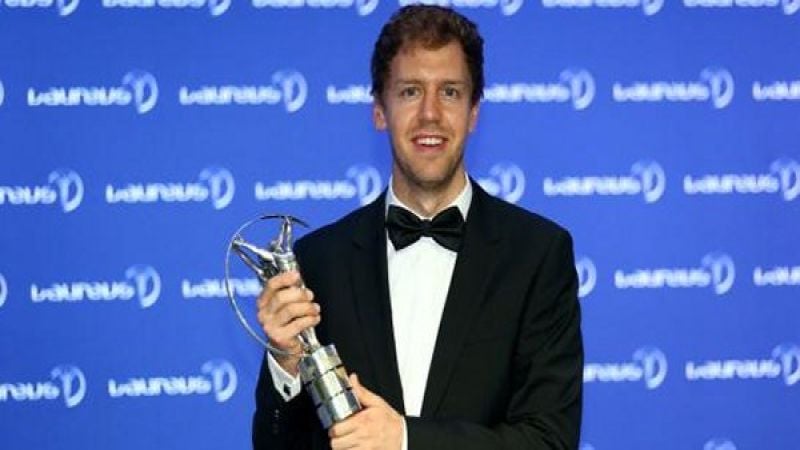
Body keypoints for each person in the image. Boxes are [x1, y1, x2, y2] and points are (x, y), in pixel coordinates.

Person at [252, 5, 583, 450]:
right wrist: (286, 363)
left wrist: (407, 439)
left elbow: (550, 440)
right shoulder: (319, 261)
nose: (430, 114)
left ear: (474, 112)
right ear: (379, 110)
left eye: (450, 92)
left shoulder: (538, 255)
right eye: (410, 92)